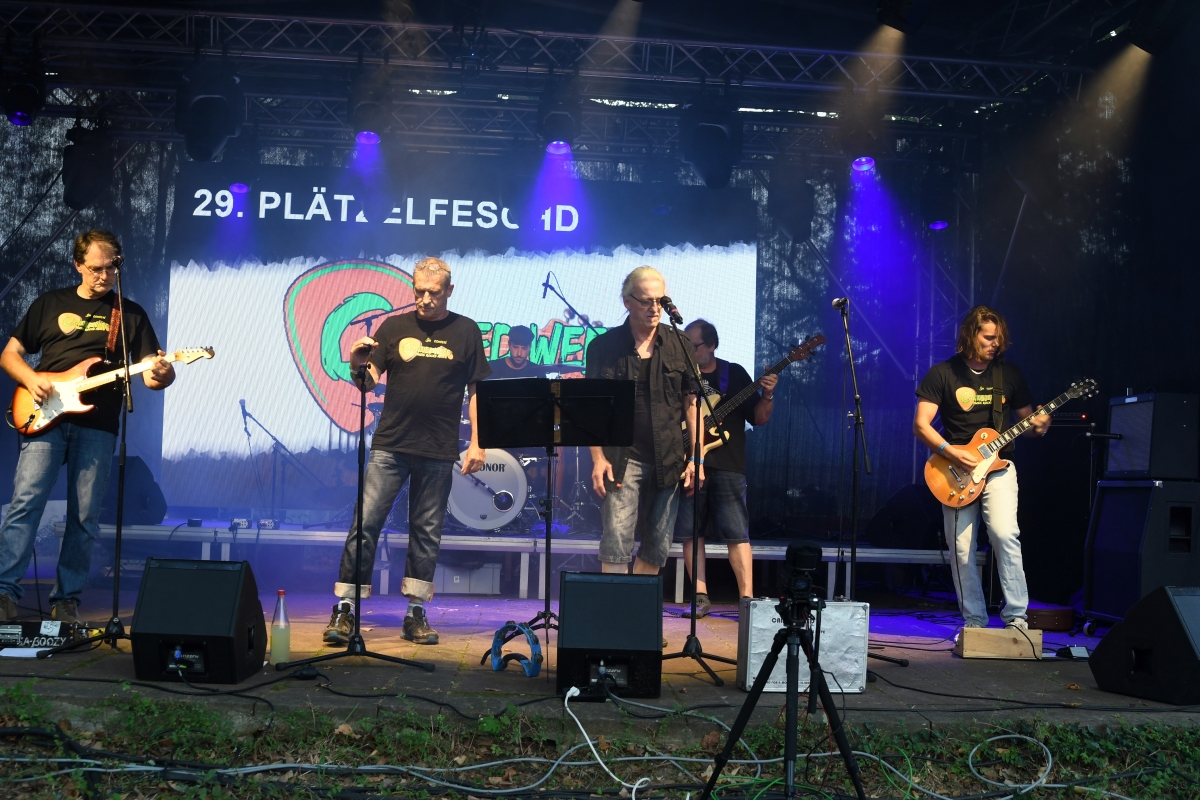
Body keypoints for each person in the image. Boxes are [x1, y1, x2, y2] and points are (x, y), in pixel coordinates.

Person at [0, 229, 175, 625]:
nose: (104, 276)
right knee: (26, 503)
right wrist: (31, 379)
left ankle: (66, 601)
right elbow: (10, 354)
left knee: (84, 516)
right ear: (78, 265)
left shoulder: (129, 314)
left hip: (98, 422)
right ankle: (4, 592)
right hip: (44, 414)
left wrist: (164, 373)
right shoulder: (50, 304)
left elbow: (151, 377)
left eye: (111, 268)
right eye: (96, 269)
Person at [324, 257, 491, 646]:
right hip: (391, 444)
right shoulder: (394, 327)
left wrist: (478, 442)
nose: (425, 299)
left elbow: (477, 391)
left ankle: (415, 614)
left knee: (427, 531)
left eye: (434, 292)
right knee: (366, 523)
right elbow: (367, 382)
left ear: (449, 291)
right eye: (419, 291)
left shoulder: (466, 330)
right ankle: (345, 608)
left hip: (438, 447)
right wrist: (355, 362)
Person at [913, 305, 1050, 634]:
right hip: (954, 470)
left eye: (998, 338)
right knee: (961, 548)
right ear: (970, 336)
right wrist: (951, 452)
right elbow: (921, 425)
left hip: (1000, 468)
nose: (995, 343)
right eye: (988, 337)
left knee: (1005, 535)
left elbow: (1027, 425)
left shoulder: (1009, 375)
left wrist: (1040, 425)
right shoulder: (942, 373)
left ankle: (1016, 618)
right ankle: (974, 621)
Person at [586, 267, 699, 581]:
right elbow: (592, 408)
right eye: (646, 301)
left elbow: (692, 404)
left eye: (660, 300)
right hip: (621, 457)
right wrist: (597, 458)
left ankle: (635, 609)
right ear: (628, 302)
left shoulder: (680, 343)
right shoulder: (604, 347)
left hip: (670, 457)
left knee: (657, 544)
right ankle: (615, 609)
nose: (655, 308)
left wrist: (697, 458)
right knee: (617, 540)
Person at [673, 319, 777, 617]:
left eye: (694, 346)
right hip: (689, 462)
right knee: (691, 532)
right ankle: (700, 597)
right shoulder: (681, 376)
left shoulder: (735, 374)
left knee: (737, 532)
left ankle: (747, 600)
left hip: (728, 463)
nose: (689, 351)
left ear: (711, 345)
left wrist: (768, 394)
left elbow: (759, 418)